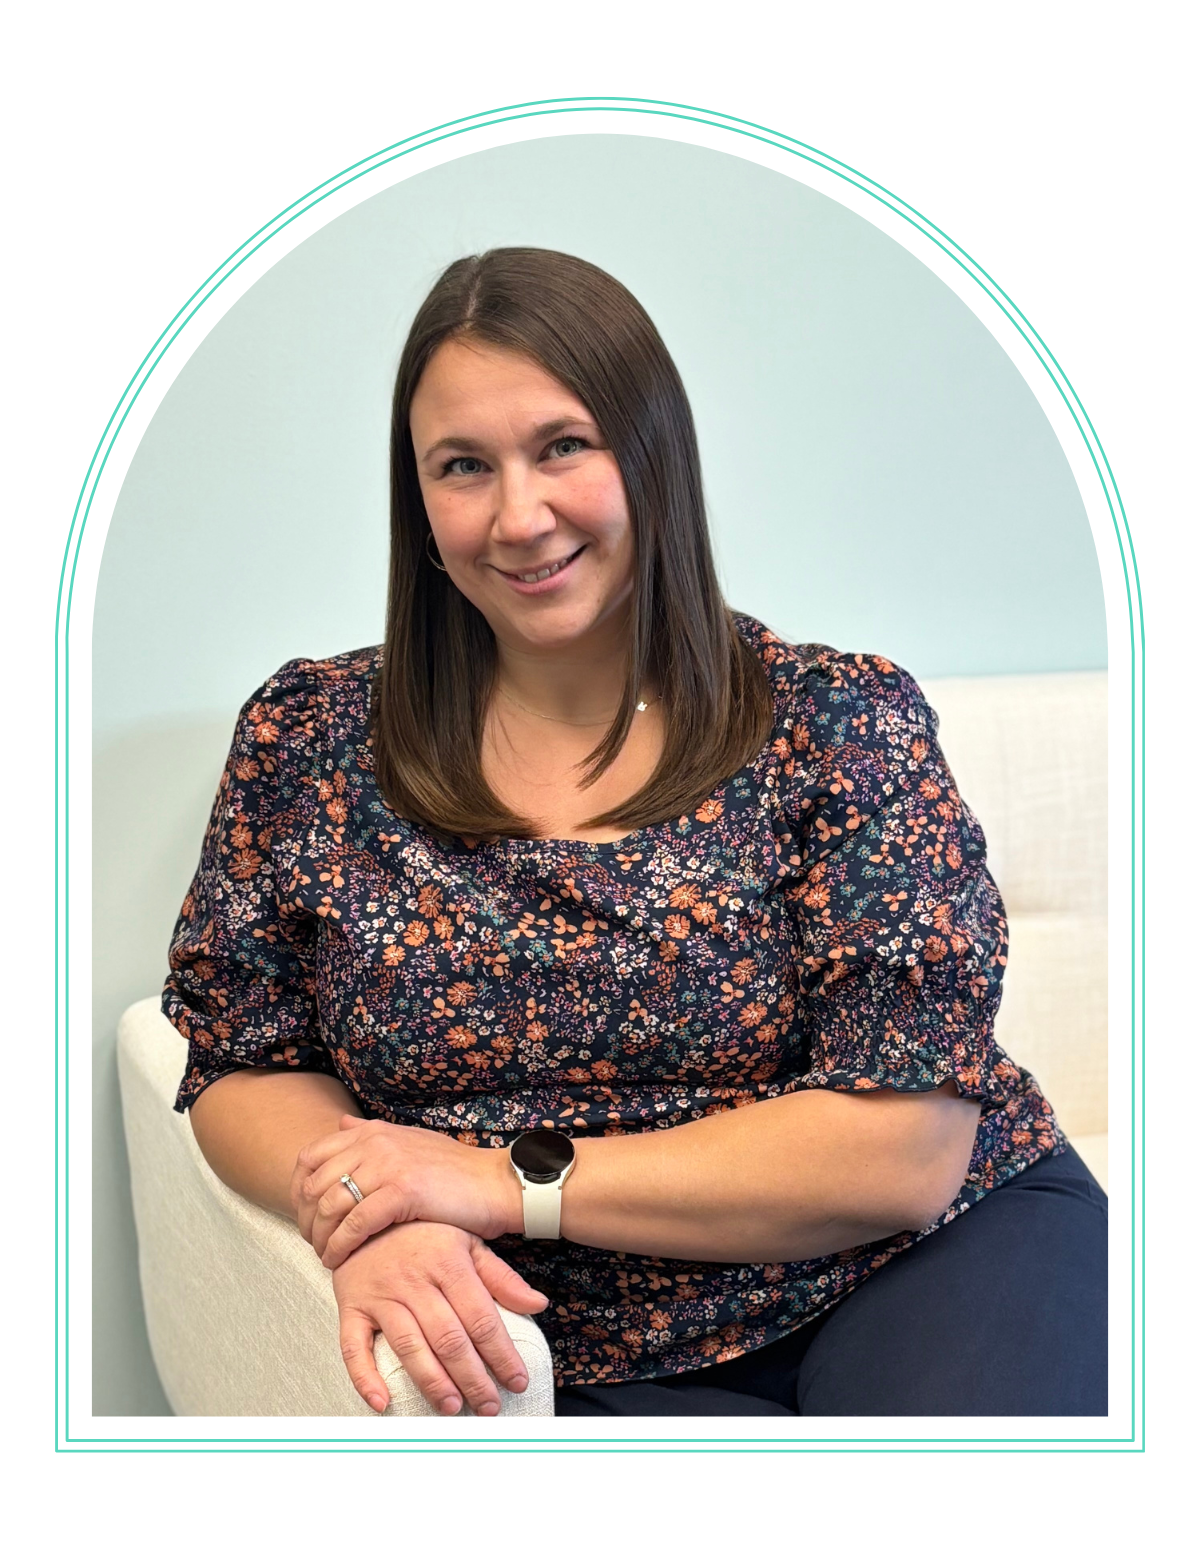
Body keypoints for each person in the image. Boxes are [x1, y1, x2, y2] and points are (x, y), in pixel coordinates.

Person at [162, 247, 1107, 1418]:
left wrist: (496, 1181)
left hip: (920, 1260)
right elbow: (243, 1058)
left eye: (564, 445)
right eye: (463, 466)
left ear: (655, 455)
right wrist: (367, 1207)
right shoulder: (309, 737)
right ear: (420, 505)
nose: (521, 515)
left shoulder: (838, 721)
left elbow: (903, 1155)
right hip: (569, 1334)